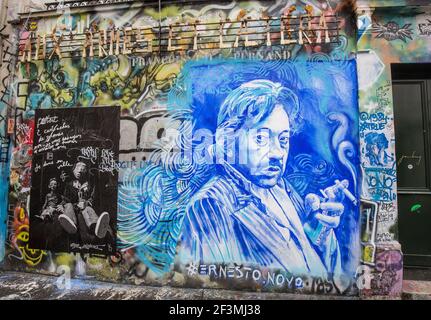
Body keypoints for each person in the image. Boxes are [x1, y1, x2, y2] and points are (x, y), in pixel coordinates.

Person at [181, 79, 353, 289]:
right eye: (261, 138)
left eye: (283, 140)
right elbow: (215, 290)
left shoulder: (282, 189)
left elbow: (319, 270)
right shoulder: (212, 205)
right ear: (227, 141)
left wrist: (320, 229)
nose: (277, 154)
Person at [58, 161, 110, 239]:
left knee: (88, 209)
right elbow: (66, 198)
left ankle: (96, 227)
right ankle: (71, 224)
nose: (80, 171)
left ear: (86, 171)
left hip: (84, 207)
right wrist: (61, 205)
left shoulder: (90, 185)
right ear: (73, 170)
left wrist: (86, 203)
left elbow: (93, 197)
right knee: (68, 205)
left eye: (83, 169)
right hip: (73, 208)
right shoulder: (69, 185)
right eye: (77, 168)